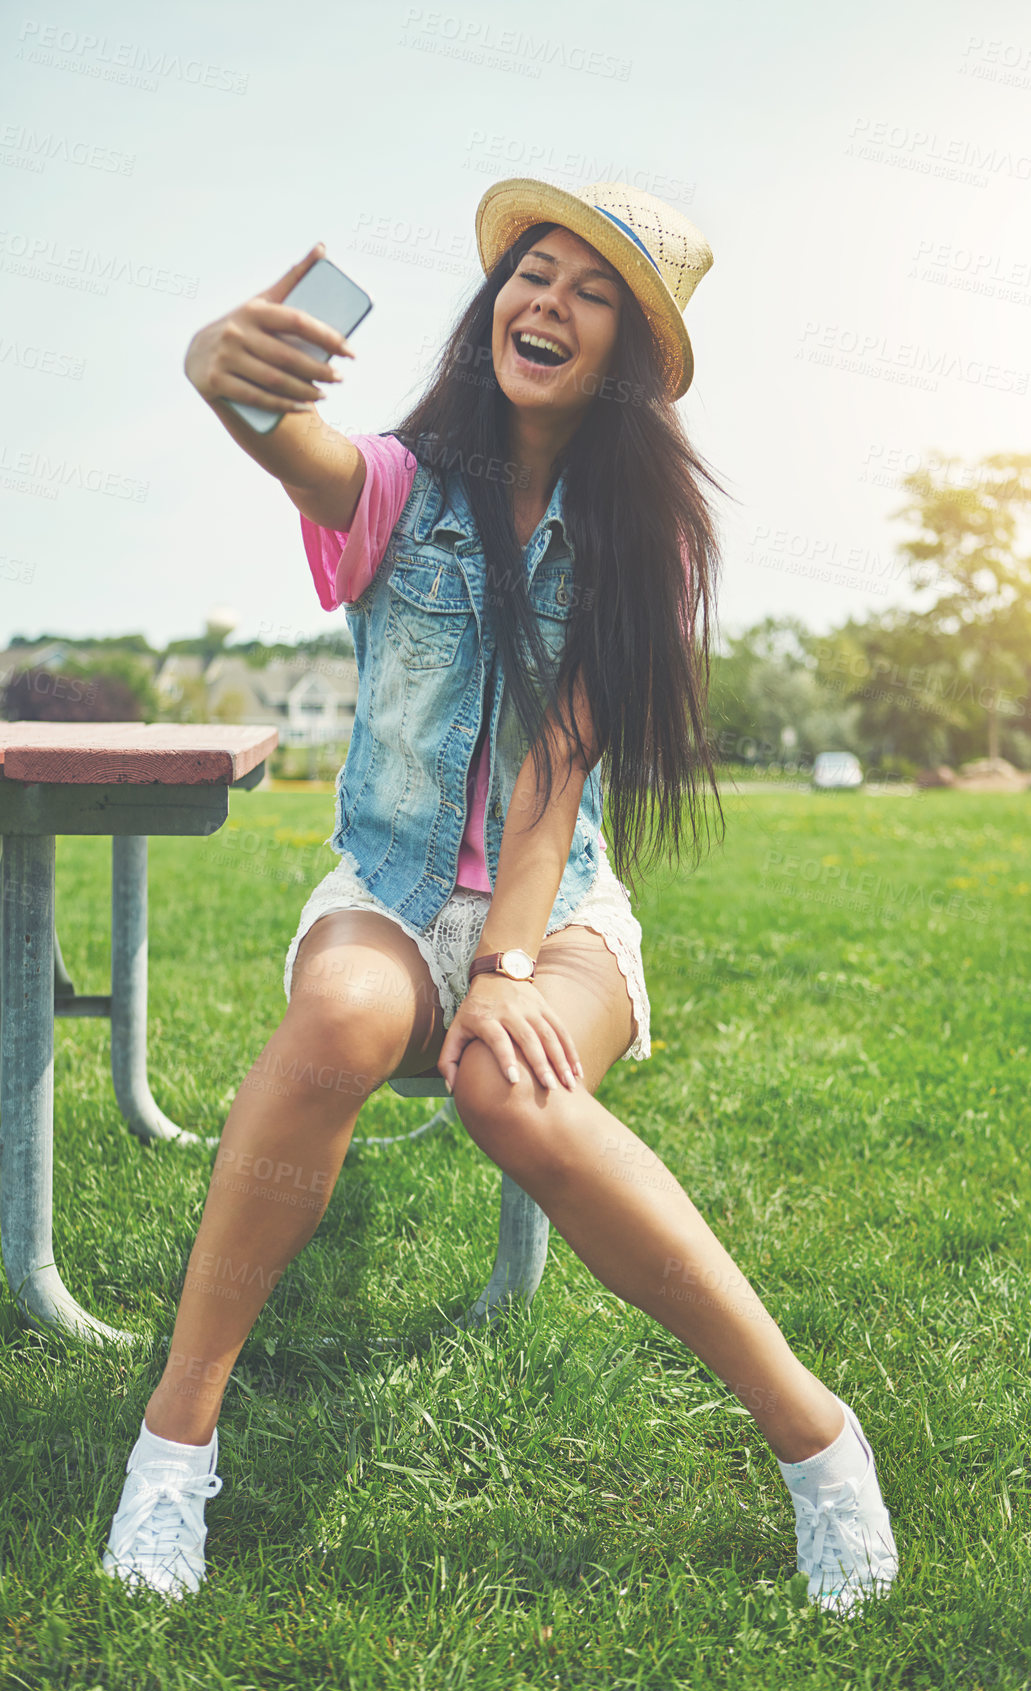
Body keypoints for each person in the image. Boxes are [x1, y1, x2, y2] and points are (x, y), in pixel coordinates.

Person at [100, 179, 899, 1613]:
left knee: (509, 1090)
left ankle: (816, 1439)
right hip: (390, 891)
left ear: (628, 360)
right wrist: (213, 367)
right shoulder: (399, 488)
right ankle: (173, 1445)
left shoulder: (635, 542)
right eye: (533, 275)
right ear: (491, 310)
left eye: (592, 294)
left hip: (559, 907)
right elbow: (284, 438)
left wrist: (512, 966)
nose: (549, 304)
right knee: (344, 1010)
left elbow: (555, 788)